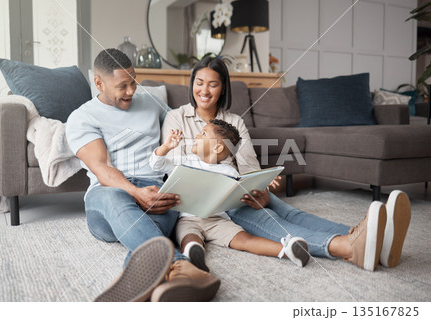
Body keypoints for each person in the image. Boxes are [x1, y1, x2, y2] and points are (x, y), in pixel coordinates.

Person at [161, 56, 412, 272]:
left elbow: (248, 167)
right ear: (192, 84)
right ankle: (344, 247)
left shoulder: (234, 121)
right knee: (266, 217)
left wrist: (260, 189)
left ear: (223, 88)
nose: (204, 90)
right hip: (203, 202)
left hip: (235, 190)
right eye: (199, 83)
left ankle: (362, 235)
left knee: (289, 212)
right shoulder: (176, 117)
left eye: (213, 84)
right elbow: (173, 167)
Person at [65, 49, 220, 302]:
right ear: (99, 83)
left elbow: (182, 127)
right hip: (108, 199)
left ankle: (153, 284)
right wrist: (135, 193)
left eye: (133, 82)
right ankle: (183, 267)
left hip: (155, 190)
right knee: (114, 198)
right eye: (122, 86)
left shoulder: (151, 101)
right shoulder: (82, 118)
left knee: (153, 231)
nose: (131, 91)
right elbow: (102, 168)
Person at [150, 119, 310, 270]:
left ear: (217, 148)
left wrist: (262, 182)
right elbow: (156, 165)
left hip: (218, 220)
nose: (197, 135)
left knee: (245, 239)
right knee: (189, 238)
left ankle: (287, 250)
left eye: (203, 134)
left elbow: (242, 192)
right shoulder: (185, 161)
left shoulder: (229, 171)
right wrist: (166, 147)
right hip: (187, 218)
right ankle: (193, 253)